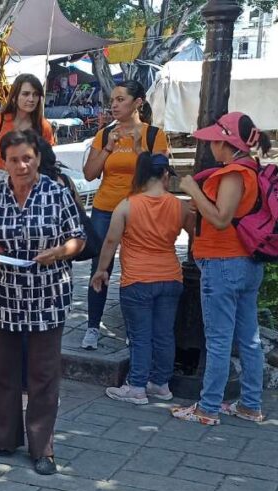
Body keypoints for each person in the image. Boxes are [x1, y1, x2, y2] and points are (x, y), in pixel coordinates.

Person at [0, 129, 86, 476]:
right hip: (5, 296)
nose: (22, 166)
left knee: (43, 374)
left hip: (47, 295)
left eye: (28, 158)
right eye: (14, 159)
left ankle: (42, 447)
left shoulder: (56, 191)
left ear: (37, 157)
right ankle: (2, 439)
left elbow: (78, 239)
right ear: (4, 161)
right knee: (3, 371)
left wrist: (59, 252)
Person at [172, 112, 272, 425]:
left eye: (215, 139)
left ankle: (208, 408)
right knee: (248, 339)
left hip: (223, 265)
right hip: (245, 264)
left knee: (218, 341)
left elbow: (220, 218)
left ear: (225, 142)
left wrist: (192, 189)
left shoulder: (233, 174)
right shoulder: (251, 171)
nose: (211, 145)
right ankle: (250, 405)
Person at [91, 153, 191, 405]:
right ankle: (160, 384)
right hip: (171, 277)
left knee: (140, 336)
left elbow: (111, 242)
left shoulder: (126, 206)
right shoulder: (180, 206)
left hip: (137, 279)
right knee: (164, 334)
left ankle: (136, 386)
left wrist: (101, 271)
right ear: (166, 175)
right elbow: (196, 236)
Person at [81, 80, 169, 350]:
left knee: (134, 270)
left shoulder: (155, 135)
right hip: (105, 208)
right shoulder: (105, 133)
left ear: (137, 103)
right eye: (113, 100)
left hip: (138, 210)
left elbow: (160, 179)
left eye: (121, 99)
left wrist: (139, 148)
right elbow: (89, 174)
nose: (114, 105)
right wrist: (108, 147)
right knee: (100, 266)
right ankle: (93, 327)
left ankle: (134, 330)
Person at [0, 74, 56, 183]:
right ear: (14, 97)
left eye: (35, 94)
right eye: (26, 94)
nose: (31, 99)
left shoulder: (44, 126)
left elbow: (49, 161)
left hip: (31, 182)